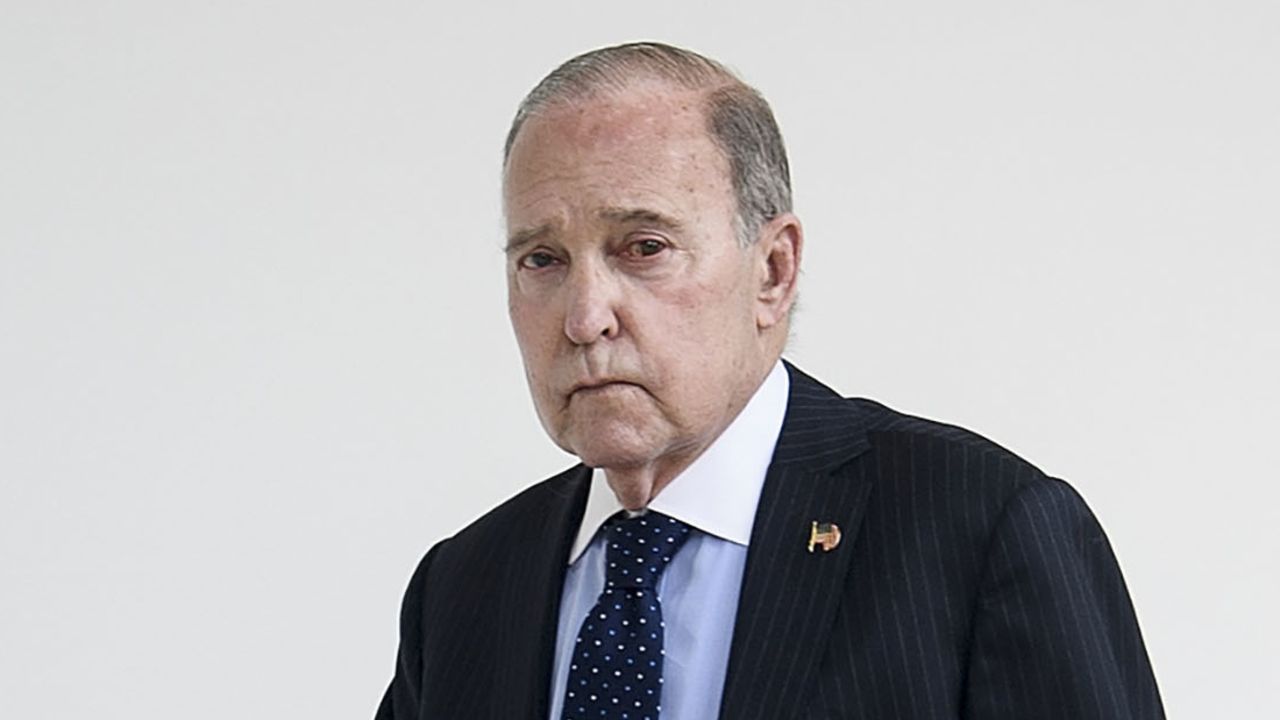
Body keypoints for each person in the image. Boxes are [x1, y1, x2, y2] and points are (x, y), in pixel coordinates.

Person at [376, 42, 1165, 719]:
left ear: (774, 270)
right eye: (541, 261)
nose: (585, 318)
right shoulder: (465, 584)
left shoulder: (980, 530)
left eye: (643, 247)